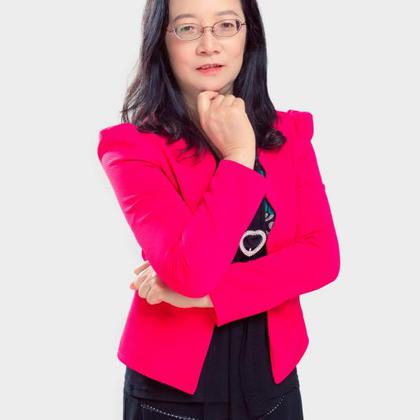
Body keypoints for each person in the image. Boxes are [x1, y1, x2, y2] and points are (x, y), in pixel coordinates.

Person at [97, 0, 341, 419]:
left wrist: (207, 298)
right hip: (170, 394)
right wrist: (239, 156)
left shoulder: (289, 134)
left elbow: (322, 259)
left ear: (249, 35)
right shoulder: (131, 149)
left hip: (274, 382)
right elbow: (191, 271)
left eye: (226, 25)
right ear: (161, 42)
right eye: (187, 28)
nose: (209, 45)